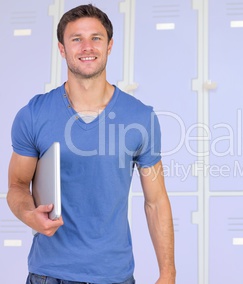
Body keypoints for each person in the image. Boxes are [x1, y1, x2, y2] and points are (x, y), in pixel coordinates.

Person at [7, 4, 176, 284]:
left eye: (96, 38)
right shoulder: (34, 114)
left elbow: (156, 202)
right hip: (49, 276)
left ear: (109, 46)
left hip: (115, 277)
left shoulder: (140, 117)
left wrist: (168, 273)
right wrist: (29, 214)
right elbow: (16, 186)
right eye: (76, 39)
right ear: (62, 49)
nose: (87, 46)